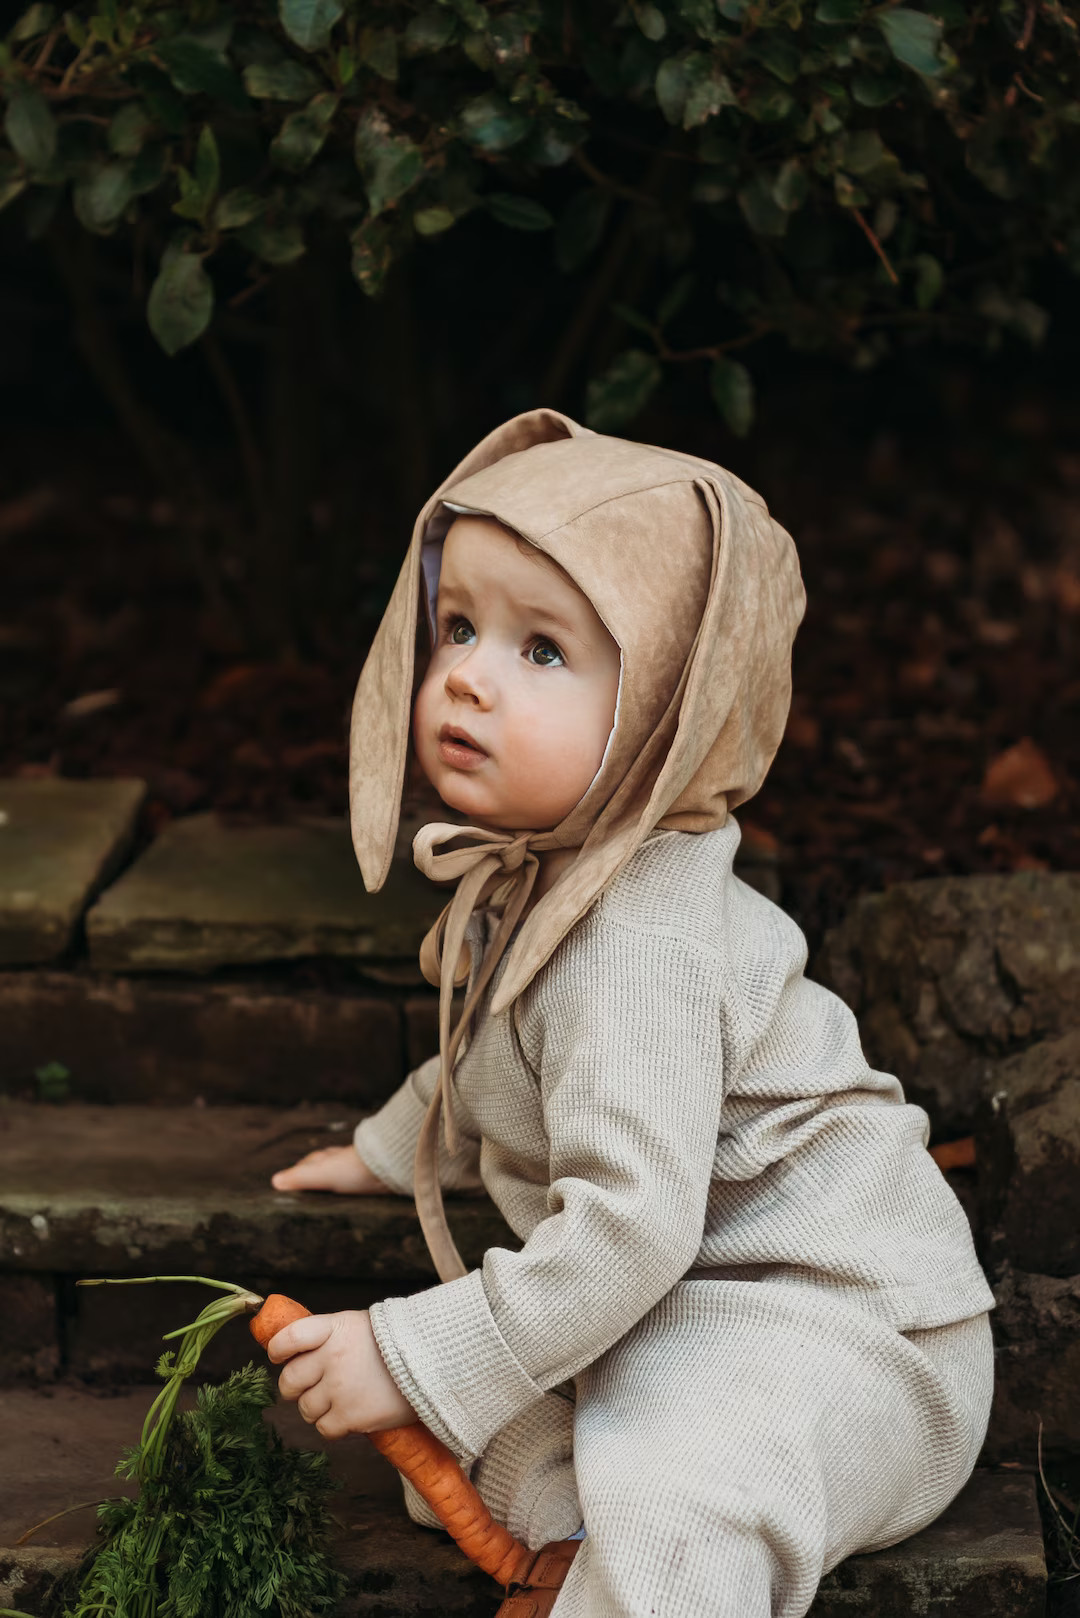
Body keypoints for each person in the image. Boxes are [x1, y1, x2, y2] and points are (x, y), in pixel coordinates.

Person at [267, 408, 996, 1618]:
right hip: (676, 1316)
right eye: (459, 626)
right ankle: (582, 1554)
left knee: (680, 1480)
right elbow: (493, 1052)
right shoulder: (549, 869)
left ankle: (649, 1562)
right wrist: (398, 1146)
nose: (467, 675)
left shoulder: (638, 940)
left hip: (846, 1329)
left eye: (541, 651)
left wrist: (407, 1350)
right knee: (472, 1442)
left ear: (668, 709)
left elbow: (629, 1232)